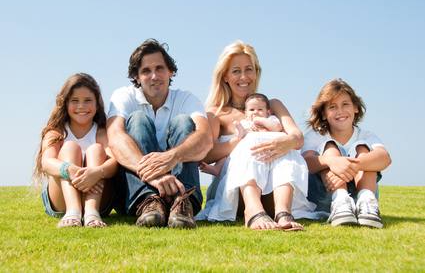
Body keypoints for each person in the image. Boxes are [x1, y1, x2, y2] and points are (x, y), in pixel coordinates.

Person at [196, 40, 316, 230]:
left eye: (249, 69)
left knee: (287, 145)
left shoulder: (272, 106)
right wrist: (240, 140)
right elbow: (206, 154)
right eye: (236, 71)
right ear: (225, 76)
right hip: (236, 195)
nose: (244, 77)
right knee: (250, 141)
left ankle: (283, 213)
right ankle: (252, 211)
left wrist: (283, 142)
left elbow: (298, 138)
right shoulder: (216, 113)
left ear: (256, 72)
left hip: (275, 193)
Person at [107, 39, 212, 229]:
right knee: (138, 119)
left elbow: (205, 138)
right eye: (146, 71)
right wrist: (153, 175)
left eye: (160, 68)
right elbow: (114, 138)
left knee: (182, 121)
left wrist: (172, 157)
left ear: (170, 71)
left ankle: (183, 203)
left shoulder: (186, 99)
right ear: (137, 77)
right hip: (138, 189)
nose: (154, 76)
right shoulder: (123, 96)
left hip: (179, 185)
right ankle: (149, 201)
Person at [302, 78, 391, 228]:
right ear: (323, 114)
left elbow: (385, 158)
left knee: (362, 148)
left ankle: (366, 203)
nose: (340, 111)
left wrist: (353, 166)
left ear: (355, 108)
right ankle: (341, 201)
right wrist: (332, 162)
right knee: (329, 147)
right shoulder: (315, 135)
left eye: (345, 104)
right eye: (332, 107)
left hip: (360, 191)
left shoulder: (366, 135)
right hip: (326, 195)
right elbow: (305, 162)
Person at [33, 73, 118, 228]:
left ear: (97, 104)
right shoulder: (56, 132)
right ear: (65, 104)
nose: (81, 106)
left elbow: (114, 162)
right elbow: (46, 162)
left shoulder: (102, 132)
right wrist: (70, 170)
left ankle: (91, 212)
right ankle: (73, 211)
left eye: (88, 101)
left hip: (98, 201)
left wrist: (97, 172)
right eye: (75, 101)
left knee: (97, 150)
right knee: (70, 147)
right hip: (61, 201)